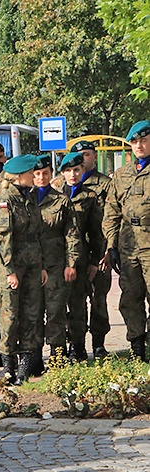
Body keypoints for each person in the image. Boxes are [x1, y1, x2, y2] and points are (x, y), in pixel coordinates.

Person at [0, 154, 48, 385]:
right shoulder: (6, 201)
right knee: (9, 317)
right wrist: (10, 270)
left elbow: (37, 234)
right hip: (11, 268)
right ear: (19, 176)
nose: (35, 177)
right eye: (30, 173)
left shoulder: (30, 197)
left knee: (31, 315)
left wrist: (41, 265)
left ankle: (25, 367)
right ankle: (7, 369)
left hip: (32, 266)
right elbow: (2, 239)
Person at [53, 140, 113, 358]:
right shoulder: (55, 189)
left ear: (93, 157)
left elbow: (101, 227)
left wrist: (98, 258)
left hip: (92, 253)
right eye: (68, 169)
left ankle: (98, 343)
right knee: (73, 303)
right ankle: (75, 345)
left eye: (86, 157)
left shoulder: (100, 188)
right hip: (65, 258)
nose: (74, 172)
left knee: (98, 299)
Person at [103, 120, 150, 360]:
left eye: (143, 140)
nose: (138, 145)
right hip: (128, 245)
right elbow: (111, 213)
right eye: (134, 142)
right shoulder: (122, 175)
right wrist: (111, 246)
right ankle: (137, 346)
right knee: (130, 297)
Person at [34, 154, 81, 364]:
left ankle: (57, 356)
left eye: (45, 173)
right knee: (32, 312)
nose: (41, 178)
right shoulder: (24, 200)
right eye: (36, 174)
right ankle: (33, 357)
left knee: (55, 311)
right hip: (31, 264)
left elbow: (72, 234)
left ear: (51, 174)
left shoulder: (62, 201)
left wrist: (71, 263)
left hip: (56, 263)